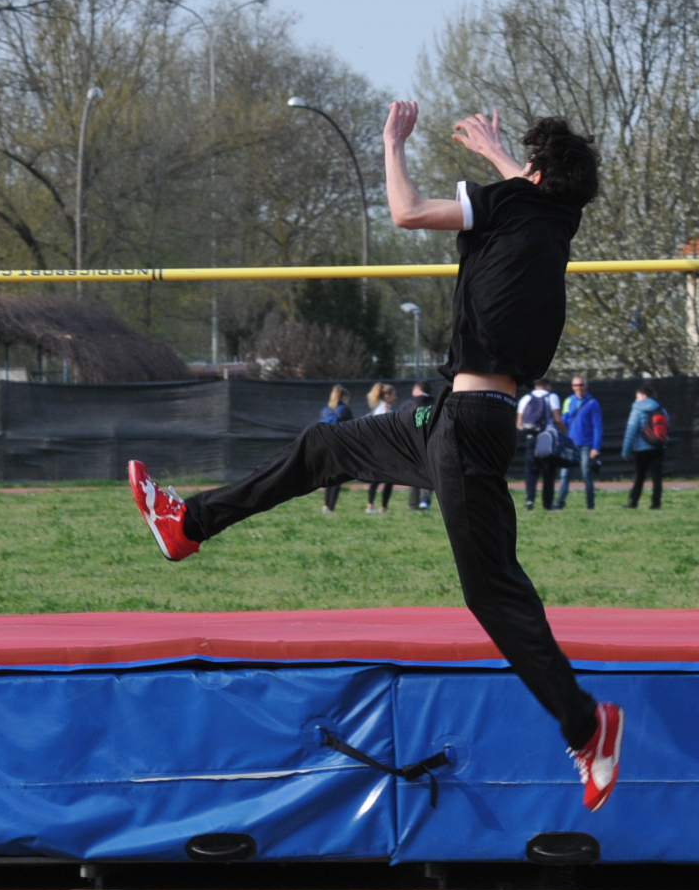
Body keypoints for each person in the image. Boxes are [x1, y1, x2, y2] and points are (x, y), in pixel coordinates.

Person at [128, 103, 625, 811]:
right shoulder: (556, 220)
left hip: (467, 425)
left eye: (524, 166)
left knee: (493, 592)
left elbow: (406, 212)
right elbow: (535, 186)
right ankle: (187, 525)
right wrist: (495, 153)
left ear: (535, 176)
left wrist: (393, 144)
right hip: (448, 418)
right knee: (324, 446)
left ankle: (587, 727)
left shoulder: (519, 203)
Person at [551, 375, 601, 510]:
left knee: (586, 474)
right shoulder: (569, 401)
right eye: (576, 385)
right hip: (570, 445)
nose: (579, 388)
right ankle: (560, 503)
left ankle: (590, 505)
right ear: (572, 387)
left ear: (586, 386)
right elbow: (564, 421)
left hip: (586, 444)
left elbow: (597, 426)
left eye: (581, 385)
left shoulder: (593, 403)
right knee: (564, 475)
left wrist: (596, 447)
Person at [516, 377, 561, 511]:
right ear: (547, 385)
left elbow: (519, 423)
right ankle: (547, 503)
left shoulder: (526, 398)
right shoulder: (551, 397)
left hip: (531, 438)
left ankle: (529, 499)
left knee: (531, 471)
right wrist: (565, 433)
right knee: (549, 471)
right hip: (547, 438)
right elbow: (557, 419)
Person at [622, 383, 666, 510]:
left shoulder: (637, 410)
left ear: (644, 396)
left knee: (639, 476)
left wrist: (626, 451)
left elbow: (630, 431)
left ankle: (633, 502)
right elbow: (665, 428)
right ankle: (656, 504)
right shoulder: (661, 409)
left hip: (641, 449)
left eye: (637, 397)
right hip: (658, 447)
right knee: (657, 478)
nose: (636, 400)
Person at [399, 380, 434, 511]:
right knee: (429, 474)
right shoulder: (436, 404)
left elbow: (400, 423)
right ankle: (425, 501)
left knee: (415, 473)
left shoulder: (409, 404)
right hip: (431, 443)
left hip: (412, 443)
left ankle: (413, 504)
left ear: (418, 389)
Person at [318, 384, 352, 513]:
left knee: (329, 477)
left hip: (325, 445)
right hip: (339, 446)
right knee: (338, 477)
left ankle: (326, 506)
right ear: (343, 397)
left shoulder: (326, 410)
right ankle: (331, 507)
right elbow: (351, 428)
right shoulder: (345, 410)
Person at [364, 383, 398, 512]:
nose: (396, 397)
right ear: (387, 395)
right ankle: (374, 506)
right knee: (382, 478)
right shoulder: (382, 410)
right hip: (383, 449)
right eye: (394, 394)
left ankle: (379, 506)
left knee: (383, 478)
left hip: (384, 449)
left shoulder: (385, 409)